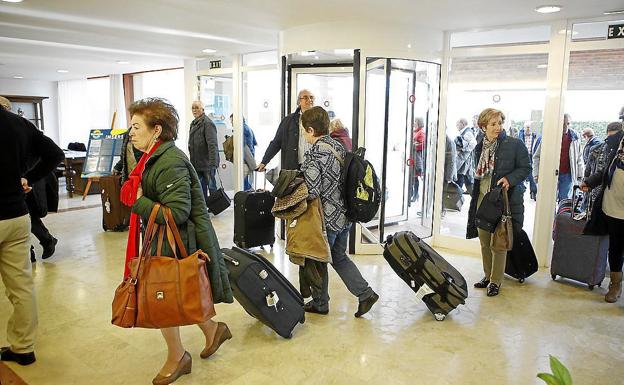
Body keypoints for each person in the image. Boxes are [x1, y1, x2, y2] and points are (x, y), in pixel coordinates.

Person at [122, 98, 233, 384]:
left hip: (176, 240)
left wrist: (139, 202)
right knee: (179, 292)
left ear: (156, 130)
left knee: (164, 298)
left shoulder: (169, 161)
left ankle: (177, 356)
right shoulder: (153, 156)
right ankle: (211, 330)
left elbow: (178, 212)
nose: (130, 132)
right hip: (169, 240)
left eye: (136, 126)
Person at [0, 102, 64, 366]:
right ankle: (23, 347)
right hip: (16, 215)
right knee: (22, 285)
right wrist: (27, 176)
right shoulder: (19, 124)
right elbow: (54, 153)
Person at [299, 106, 378, 317]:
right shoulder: (339, 146)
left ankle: (320, 303)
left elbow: (312, 190)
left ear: (310, 130)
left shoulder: (315, 152)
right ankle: (365, 293)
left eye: (303, 130)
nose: (303, 135)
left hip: (327, 219)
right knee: (338, 257)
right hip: (345, 216)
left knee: (317, 259)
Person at [466, 108, 530, 297]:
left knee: (498, 243)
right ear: (483, 127)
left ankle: (495, 281)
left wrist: (509, 179)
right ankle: (487, 275)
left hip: (503, 201)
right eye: (493, 124)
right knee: (484, 241)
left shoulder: (514, 144)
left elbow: (526, 168)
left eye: (500, 123)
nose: (498, 127)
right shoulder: (479, 147)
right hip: (482, 200)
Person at [582, 121, 624, 303]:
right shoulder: (617, 143)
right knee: (615, 248)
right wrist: (589, 182)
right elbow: (605, 171)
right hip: (612, 206)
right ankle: (615, 284)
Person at [257, 89, 315, 171]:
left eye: (311, 97)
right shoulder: (288, 120)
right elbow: (276, 143)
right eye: (305, 97)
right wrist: (264, 162)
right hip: (293, 168)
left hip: (314, 167)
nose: (309, 100)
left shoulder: (319, 121)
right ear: (299, 102)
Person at [188, 100, 220, 202]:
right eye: (193, 108)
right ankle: (204, 207)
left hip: (207, 163)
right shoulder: (193, 123)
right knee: (200, 188)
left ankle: (215, 207)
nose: (194, 110)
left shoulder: (208, 123)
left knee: (211, 187)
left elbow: (212, 144)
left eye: (197, 107)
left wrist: (213, 163)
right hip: (197, 163)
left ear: (202, 109)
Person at [229, 114, 258, 190]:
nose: (231, 123)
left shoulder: (241, 129)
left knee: (242, 182)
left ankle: (246, 198)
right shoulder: (248, 128)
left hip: (245, 160)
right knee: (245, 181)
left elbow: (243, 147)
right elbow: (255, 143)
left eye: (232, 121)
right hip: (249, 157)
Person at [518, 121, 541, 200]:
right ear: (524, 128)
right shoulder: (519, 137)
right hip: (522, 158)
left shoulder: (535, 137)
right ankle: (520, 191)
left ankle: (533, 192)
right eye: (526, 127)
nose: (528, 129)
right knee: (521, 176)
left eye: (529, 128)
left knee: (532, 176)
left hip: (531, 157)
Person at [454, 118, 477, 194]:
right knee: (464, 178)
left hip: (464, 160)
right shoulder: (465, 132)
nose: (457, 126)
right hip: (463, 160)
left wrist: (464, 149)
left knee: (461, 178)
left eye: (458, 124)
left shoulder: (467, 132)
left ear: (462, 124)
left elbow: (473, 143)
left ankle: (458, 197)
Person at [410, 117, 426, 202]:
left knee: (415, 178)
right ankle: (413, 194)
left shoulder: (421, 132)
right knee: (412, 178)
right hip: (412, 158)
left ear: (419, 122)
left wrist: (414, 144)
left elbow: (421, 145)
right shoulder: (414, 131)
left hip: (416, 159)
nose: (414, 122)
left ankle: (415, 195)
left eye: (416, 121)